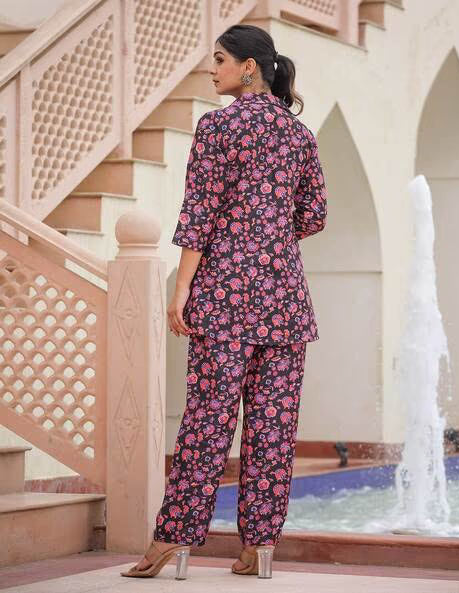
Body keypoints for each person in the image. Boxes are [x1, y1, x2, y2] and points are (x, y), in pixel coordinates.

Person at [121, 23, 327, 580]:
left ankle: (173, 540)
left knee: (207, 422)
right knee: (273, 428)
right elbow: (314, 215)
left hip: (224, 296)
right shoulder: (299, 135)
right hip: (286, 301)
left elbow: (199, 212)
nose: (212, 70)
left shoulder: (217, 126)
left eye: (219, 60)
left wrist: (183, 287)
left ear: (248, 67)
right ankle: (261, 546)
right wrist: (270, 237)